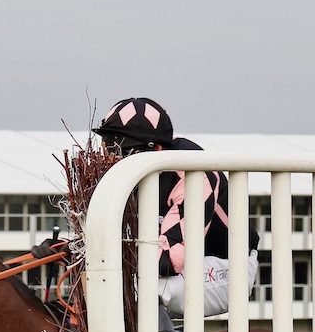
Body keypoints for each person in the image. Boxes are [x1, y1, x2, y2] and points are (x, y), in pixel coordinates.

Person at [93, 96, 256, 318]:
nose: (112, 159)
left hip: (229, 266)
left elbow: (167, 261)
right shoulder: (128, 179)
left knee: (148, 289)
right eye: (108, 148)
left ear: (156, 149)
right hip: (183, 267)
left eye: (121, 150)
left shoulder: (193, 171)